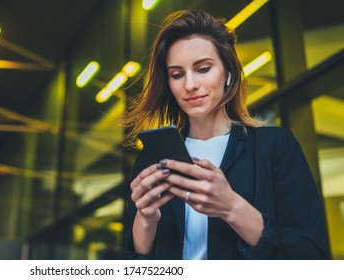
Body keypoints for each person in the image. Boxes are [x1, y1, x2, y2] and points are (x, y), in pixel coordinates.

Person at [122, 9, 330, 259]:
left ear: (228, 73)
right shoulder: (152, 160)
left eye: (203, 69)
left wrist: (232, 207)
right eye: (177, 75)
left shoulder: (275, 147)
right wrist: (146, 218)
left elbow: (312, 256)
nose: (189, 85)